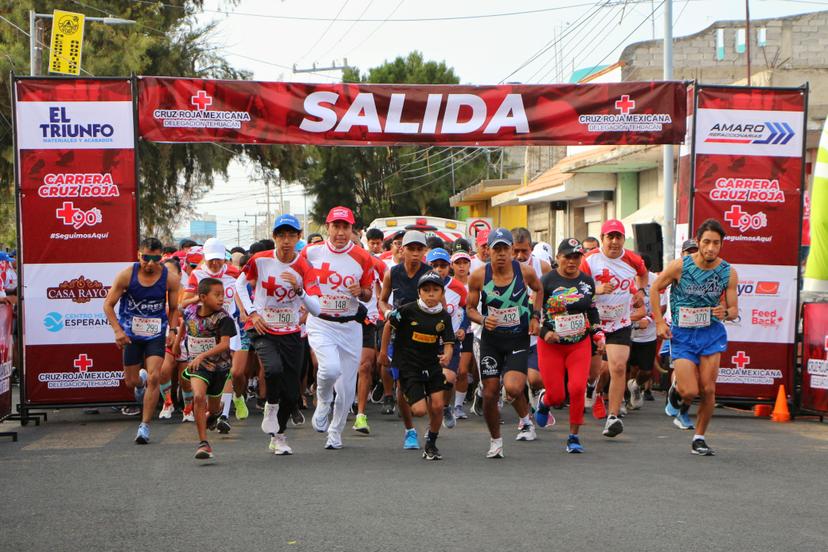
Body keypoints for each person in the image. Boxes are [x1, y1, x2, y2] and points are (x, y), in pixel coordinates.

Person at [651, 219, 738, 456]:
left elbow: (734, 310)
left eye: (716, 243)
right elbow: (654, 288)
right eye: (707, 242)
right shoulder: (681, 266)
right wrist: (659, 322)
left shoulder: (727, 272)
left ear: (722, 245)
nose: (711, 248)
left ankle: (699, 437)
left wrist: (725, 312)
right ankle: (677, 392)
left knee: (708, 389)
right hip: (683, 334)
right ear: (698, 242)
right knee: (690, 391)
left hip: (711, 334)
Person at [236, 214, 321, 455]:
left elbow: (316, 308)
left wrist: (300, 291)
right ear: (274, 237)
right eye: (281, 235)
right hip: (263, 328)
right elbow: (239, 285)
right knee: (272, 369)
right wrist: (252, 313)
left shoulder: (304, 267)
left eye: (291, 235)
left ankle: (279, 436)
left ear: (298, 237)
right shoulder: (259, 260)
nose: (286, 240)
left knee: (293, 392)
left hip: (292, 332)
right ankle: (270, 405)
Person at [466, 228, 543, 458]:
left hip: (518, 338)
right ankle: (496, 440)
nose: (501, 254)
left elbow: (539, 290)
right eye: (496, 249)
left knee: (513, 387)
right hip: (491, 340)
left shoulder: (525, 272)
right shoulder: (479, 276)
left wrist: (536, 317)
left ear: (511, 250)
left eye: (505, 249)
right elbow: (469, 308)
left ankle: (525, 418)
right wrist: (482, 319)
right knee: (490, 392)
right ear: (488, 251)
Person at [303, 207, 374, 450]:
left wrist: (360, 292)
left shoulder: (363, 257)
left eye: (345, 227)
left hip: (349, 327)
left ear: (352, 229)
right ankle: (323, 400)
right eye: (336, 226)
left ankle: (335, 432)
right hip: (321, 323)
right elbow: (296, 276)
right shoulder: (311, 252)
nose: (340, 232)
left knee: (346, 390)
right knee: (330, 369)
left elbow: (368, 293)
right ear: (328, 227)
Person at [103, 237, 179, 444]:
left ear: (161, 258)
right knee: (132, 381)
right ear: (139, 255)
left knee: (156, 377)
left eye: (155, 259)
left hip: (155, 333)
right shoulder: (127, 275)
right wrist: (118, 331)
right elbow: (108, 305)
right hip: (131, 335)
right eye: (146, 258)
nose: (150, 263)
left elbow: (174, 308)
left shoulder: (170, 278)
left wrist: (172, 330)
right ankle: (140, 381)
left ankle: (144, 426)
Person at [580, 220, 648, 438]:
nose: (615, 241)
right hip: (595, 322)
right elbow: (576, 289)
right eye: (610, 237)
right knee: (596, 371)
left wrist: (640, 292)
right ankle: (591, 386)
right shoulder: (589, 260)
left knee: (618, 367)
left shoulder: (632, 259)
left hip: (620, 323)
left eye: (618, 237)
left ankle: (613, 417)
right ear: (602, 239)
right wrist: (596, 289)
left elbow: (643, 274)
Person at [534, 239, 603, 453]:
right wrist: (546, 333)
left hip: (579, 344)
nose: (572, 261)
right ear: (558, 258)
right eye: (567, 257)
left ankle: (574, 436)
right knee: (557, 396)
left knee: (577, 388)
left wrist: (598, 334)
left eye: (576, 257)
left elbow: (591, 310)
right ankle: (545, 402)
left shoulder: (587, 281)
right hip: (551, 345)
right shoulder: (545, 281)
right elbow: (532, 316)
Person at [380, 271, 455, 460]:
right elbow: (389, 325)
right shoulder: (407, 310)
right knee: (420, 411)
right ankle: (403, 389)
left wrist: (446, 355)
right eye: (426, 290)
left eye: (435, 290)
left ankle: (431, 444)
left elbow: (448, 342)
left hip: (431, 364)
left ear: (442, 293)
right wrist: (382, 352)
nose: (431, 294)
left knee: (437, 406)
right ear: (419, 292)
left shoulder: (444, 317)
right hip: (408, 364)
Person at [379, 230, 432, 449]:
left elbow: (443, 305)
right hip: (399, 335)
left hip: (426, 336)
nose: (416, 253)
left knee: (427, 383)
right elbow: (382, 301)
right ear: (403, 250)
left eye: (420, 249)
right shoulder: (393, 273)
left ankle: (430, 425)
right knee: (401, 383)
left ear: (425, 252)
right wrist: (388, 312)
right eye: (411, 249)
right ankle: (410, 431)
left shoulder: (430, 274)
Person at [181, 278, 237, 460]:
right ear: (203, 297)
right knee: (198, 397)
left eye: (223, 294)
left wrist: (203, 354)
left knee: (212, 409)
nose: (221, 299)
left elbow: (225, 345)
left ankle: (216, 412)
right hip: (198, 366)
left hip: (219, 368)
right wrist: (176, 344)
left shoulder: (224, 319)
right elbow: (183, 317)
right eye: (217, 295)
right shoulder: (190, 312)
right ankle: (203, 443)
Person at [426, 248, 469, 429]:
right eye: (435, 266)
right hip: (427, 342)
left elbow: (468, 309)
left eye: (443, 266)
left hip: (450, 342)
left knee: (449, 378)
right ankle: (433, 419)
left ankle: (445, 407)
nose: (439, 270)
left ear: (449, 267)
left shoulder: (458, 288)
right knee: (430, 382)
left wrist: (463, 328)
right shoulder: (422, 286)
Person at [511, 227, 553, 403]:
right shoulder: (498, 268)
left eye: (524, 251)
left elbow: (550, 297)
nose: (520, 256)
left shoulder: (543, 267)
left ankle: (535, 391)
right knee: (513, 385)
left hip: (534, 332)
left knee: (536, 379)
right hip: (509, 334)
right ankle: (524, 418)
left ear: (531, 248)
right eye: (516, 251)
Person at [353, 233, 387, 435]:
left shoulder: (375, 263)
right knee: (338, 369)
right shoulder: (331, 262)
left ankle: (361, 415)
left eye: (356, 245)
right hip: (340, 321)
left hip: (368, 319)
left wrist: (384, 308)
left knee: (365, 366)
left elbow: (389, 284)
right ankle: (338, 400)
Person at [627, 254, 667, 410]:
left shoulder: (657, 280)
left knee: (646, 371)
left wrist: (649, 320)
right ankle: (624, 401)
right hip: (626, 331)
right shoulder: (624, 277)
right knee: (625, 368)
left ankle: (636, 385)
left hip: (647, 333)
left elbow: (662, 306)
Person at [450, 250, 474, 420]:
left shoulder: (474, 283)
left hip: (468, 332)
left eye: (465, 263)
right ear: (452, 266)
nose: (462, 266)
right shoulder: (447, 284)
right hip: (447, 333)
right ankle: (444, 404)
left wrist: (465, 328)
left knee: (463, 371)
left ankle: (458, 405)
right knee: (449, 372)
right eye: (458, 263)